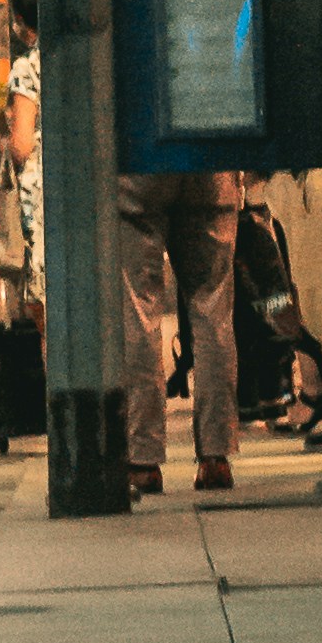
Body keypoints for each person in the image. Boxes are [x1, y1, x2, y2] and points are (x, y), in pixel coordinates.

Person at [114, 169, 241, 497]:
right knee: (214, 312)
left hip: (137, 171)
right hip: (211, 165)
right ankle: (216, 457)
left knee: (139, 313)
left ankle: (143, 459)